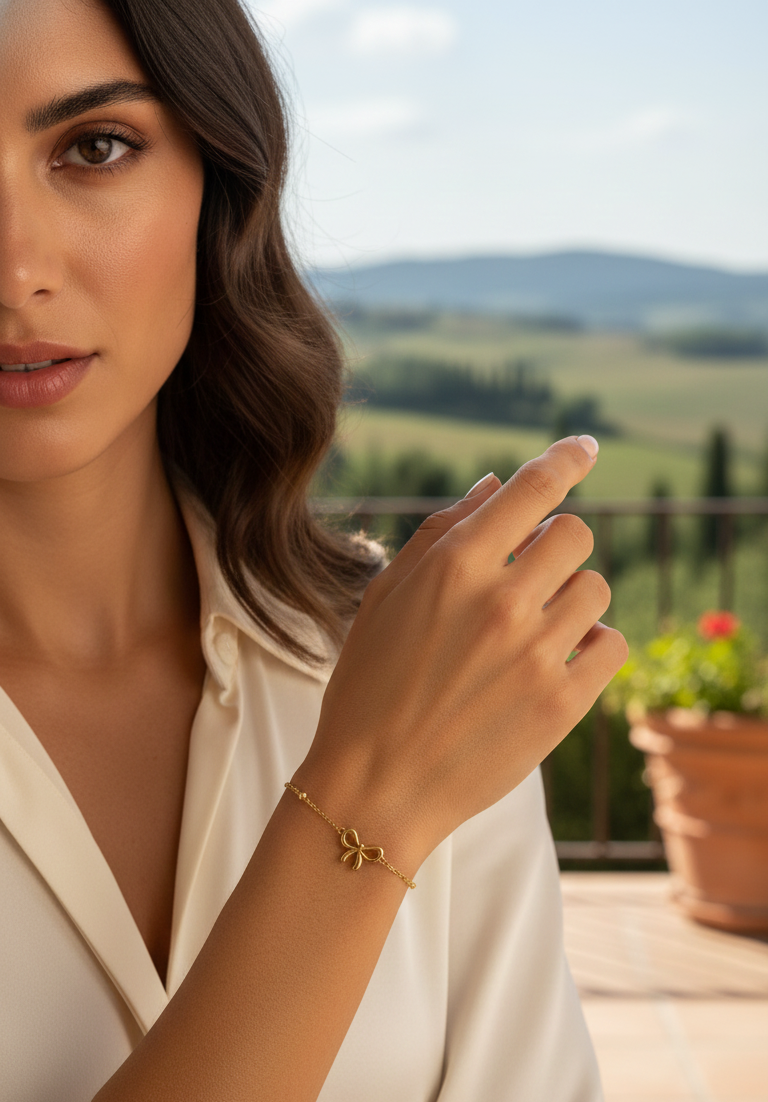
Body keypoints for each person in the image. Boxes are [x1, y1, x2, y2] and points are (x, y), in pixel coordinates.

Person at [0, 0, 628, 1099]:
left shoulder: (401, 665)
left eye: (95, 148)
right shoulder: (403, 720)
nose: (16, 270)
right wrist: (365, 804)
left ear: (217, 187)